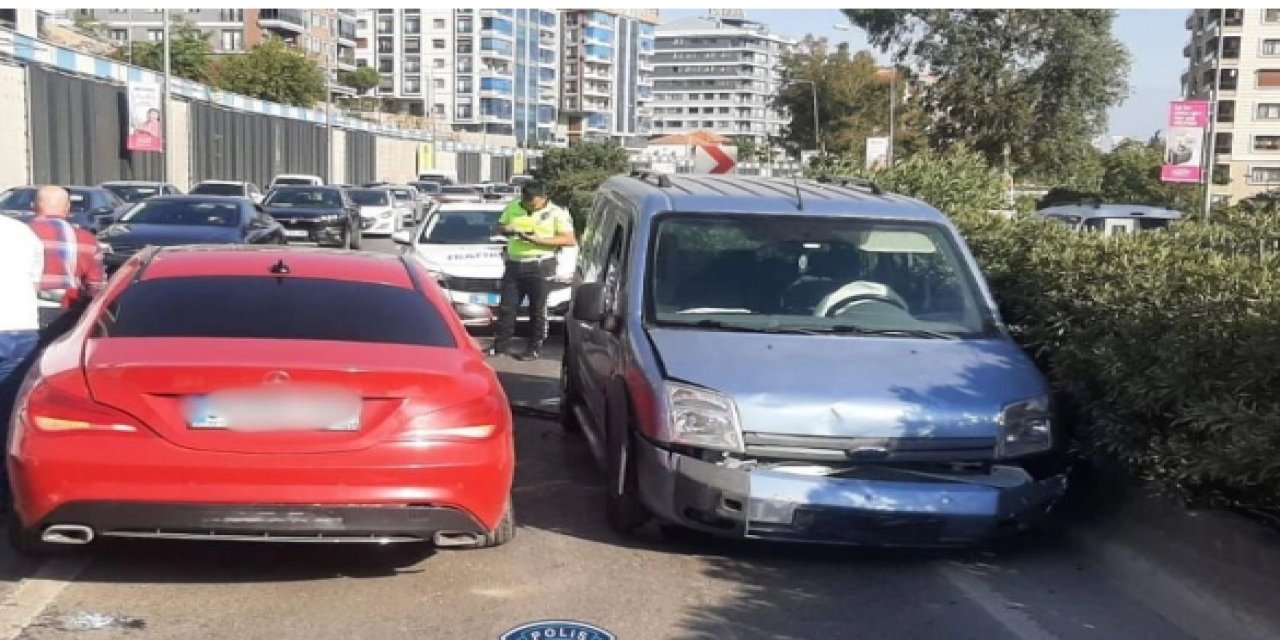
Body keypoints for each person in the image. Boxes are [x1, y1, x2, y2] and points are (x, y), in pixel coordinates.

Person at [490, 180, 576, 361]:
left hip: (540, 264)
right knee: (507, 307)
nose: (529, 204)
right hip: (515, 263)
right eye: (526, 200)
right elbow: (497, 227)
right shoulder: (513, 206)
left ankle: (533, 348)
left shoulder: (556, 213)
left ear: (544, 198)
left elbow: (569, 239)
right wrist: (506, 229)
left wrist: (539, 240)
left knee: (537, 309)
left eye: (533, 201)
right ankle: (501, 346)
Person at [0, 213, 44, 499]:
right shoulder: (21, 231)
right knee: (9, 416)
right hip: (19, 326)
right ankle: (8, 493)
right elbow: (35, 281)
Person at [26, 186, 106, 333]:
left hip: (23, 312)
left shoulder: (18, 234)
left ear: (33, 206)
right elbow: (96, 287)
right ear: (68, 208)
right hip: (66, 313)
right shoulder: (86, 239)